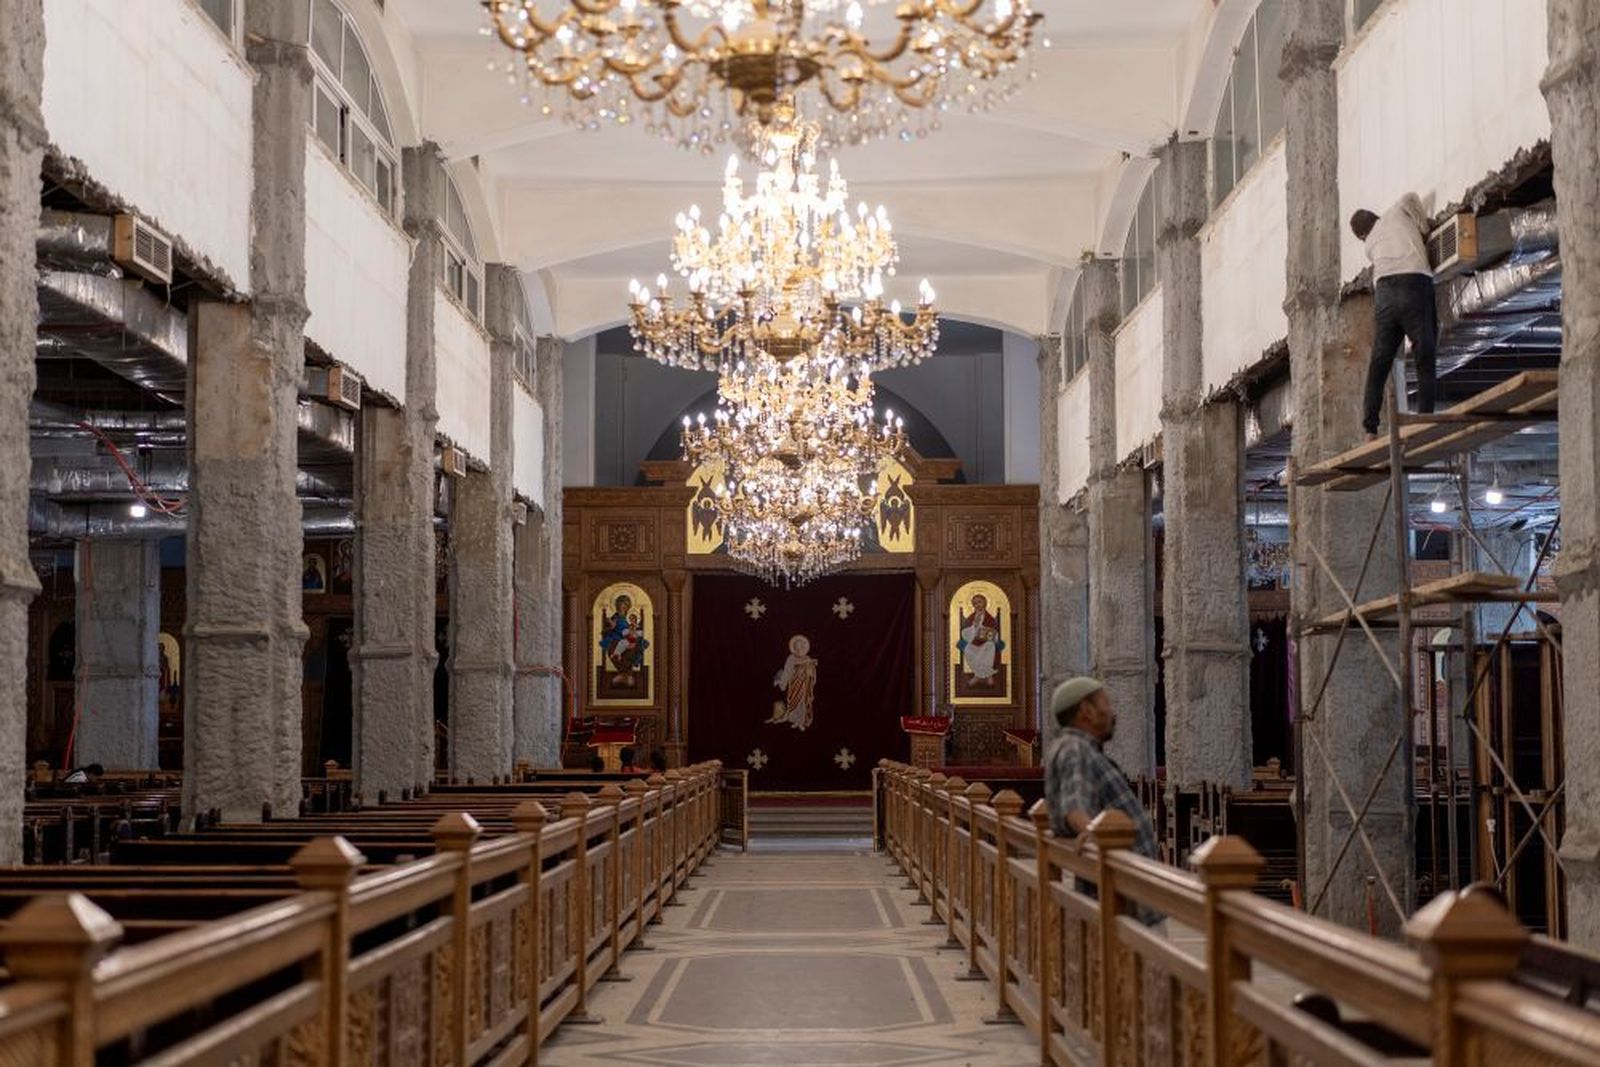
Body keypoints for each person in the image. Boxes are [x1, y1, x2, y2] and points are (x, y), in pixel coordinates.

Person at [1350, 193, 1437, 439]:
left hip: (1385, 294)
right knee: (1424, 352)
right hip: (1414, 282)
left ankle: (1369, 427)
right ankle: (1425, 418)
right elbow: (1411, 196)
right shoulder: (1396, 211)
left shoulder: (1369, 246)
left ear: (1362, 236)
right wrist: (1424, 227)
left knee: (1380, 360)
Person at [1043, 678, 1157, 860]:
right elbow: (1074, 808)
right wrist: (1091, 833)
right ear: (1086, 711)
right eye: (1106, 703)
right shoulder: (1076, 748)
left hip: (1124, 873)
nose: (1113, 712)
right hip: (1120, 876)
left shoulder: (1073, 747)